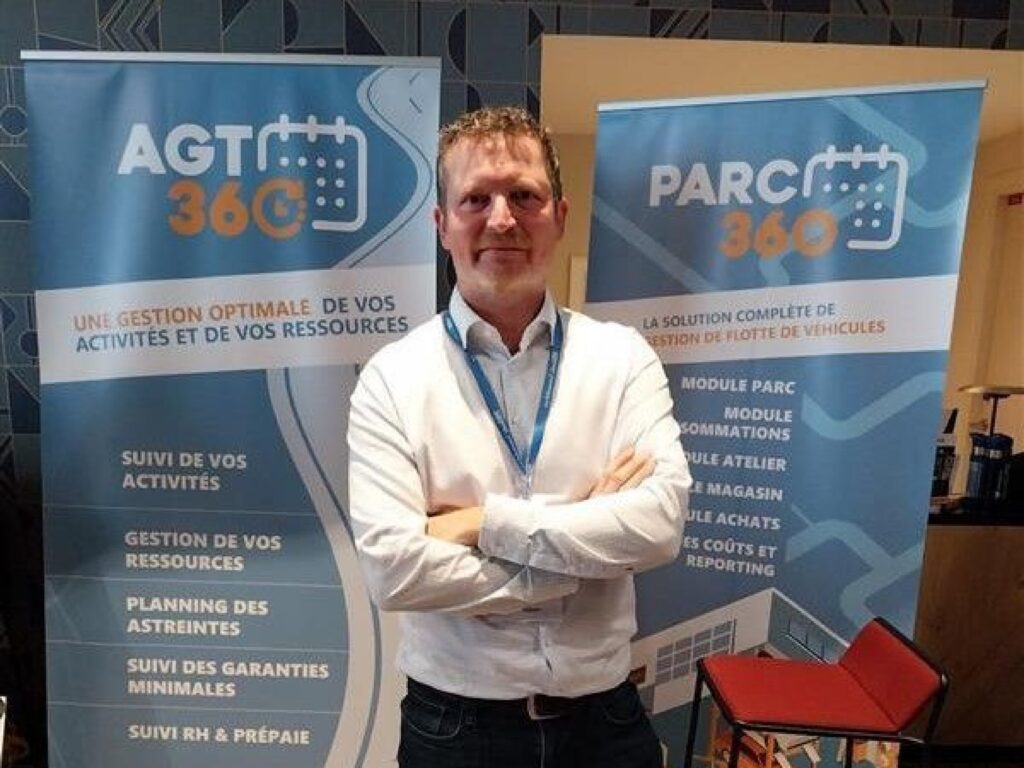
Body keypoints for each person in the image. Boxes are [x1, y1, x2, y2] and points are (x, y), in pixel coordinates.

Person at [347, 106, 691, 768]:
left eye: (524, 196)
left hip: (605, 724)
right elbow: (393, 570)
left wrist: (482, 523)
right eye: (476, 198)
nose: (502, 219)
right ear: (442, 224)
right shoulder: (393, 378)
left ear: (559, 216)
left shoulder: (622, 359)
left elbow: (658, 526)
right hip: (456, 730)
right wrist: (579, 552)